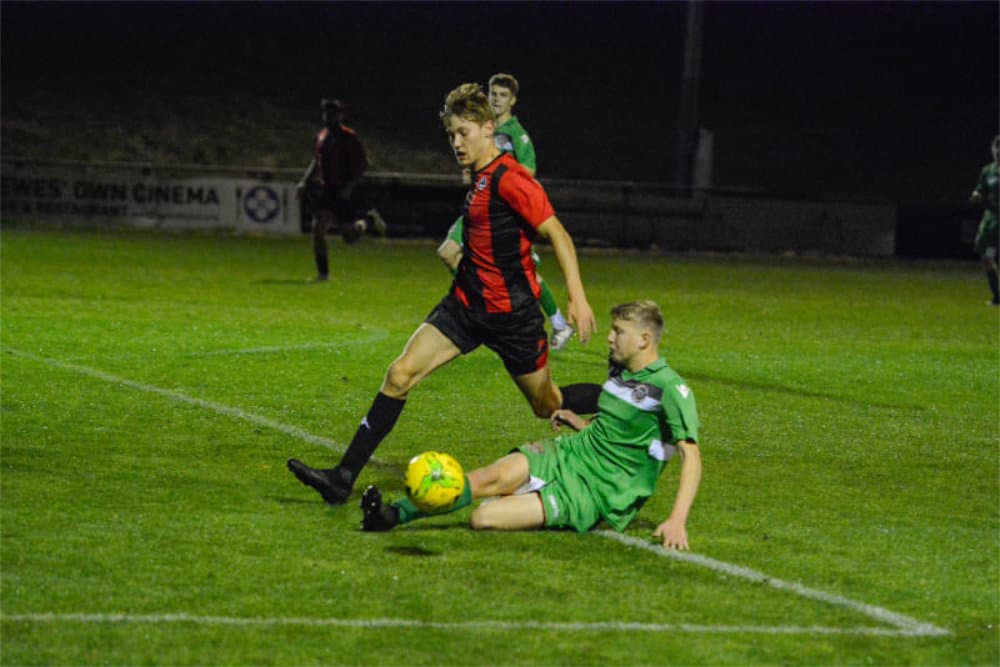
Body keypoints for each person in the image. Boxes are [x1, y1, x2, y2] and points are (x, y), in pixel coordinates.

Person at [287, 83, 599, 505]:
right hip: (464, 307)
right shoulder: (479, 178)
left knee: (548, 404)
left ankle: (621, 397)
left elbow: (557, 233)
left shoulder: (511, 179)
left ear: (488, 128)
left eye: (463, 133)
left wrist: (577, 297)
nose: (456, 143)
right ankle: (342, 478)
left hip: (512, 318)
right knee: (400, 375)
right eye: (451, 134)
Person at [360, 300, 703, 551]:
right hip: (570, 453)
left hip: (596, 491)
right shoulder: (621, 372)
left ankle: (528, 499)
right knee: (486, 478)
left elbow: (692, 457)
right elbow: (621, 433)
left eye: (618, 331)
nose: (610, 338)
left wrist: (677, 520)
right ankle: (391, 515)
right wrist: (579, 422)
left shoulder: (671, 389)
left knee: (484, 518)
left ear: (644, 339)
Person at [436, 73, 575, 350]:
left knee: (521, 275)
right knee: (448, 252)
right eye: (493, 94)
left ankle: (558, 322)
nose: (497, 100)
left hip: (504, 211)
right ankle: (478, 306)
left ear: (512, 101)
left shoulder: (517, 134)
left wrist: (496, 172)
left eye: (503, 95)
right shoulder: (475, 129)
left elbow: (528, 171)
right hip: (480, 205)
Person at [296, 98, 386, 283]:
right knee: (318, 230)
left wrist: (350, 186)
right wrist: (304, 181)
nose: (327, 117)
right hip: (326, 189)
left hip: (343, 190)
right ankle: (323, 274)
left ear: (339, 116)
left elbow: (362, 164)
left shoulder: (348, 137)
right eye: (325, 113)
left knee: (349, 237)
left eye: (332, 113)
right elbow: (317, 160)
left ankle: (368, 220)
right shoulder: (322, 136)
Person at [969, 135, 999, 305]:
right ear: (992, 150)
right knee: (986, 255)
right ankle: (997, 296)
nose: (999, 151)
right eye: (996, 147)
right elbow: (980, 189)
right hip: (991, 219)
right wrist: (976, 195)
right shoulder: (987, 171)